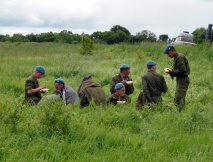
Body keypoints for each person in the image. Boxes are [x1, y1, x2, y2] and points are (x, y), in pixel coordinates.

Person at [164, 44, 190, 111]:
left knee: (179, 98)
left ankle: (180, 113)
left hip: (183, 80)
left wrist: (171, 72)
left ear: (172, 51)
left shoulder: (179, 57)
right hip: (181, 80)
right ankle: (181, 111)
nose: (168, 55)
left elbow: (182, 69)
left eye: (168, 53)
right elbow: (179, 69)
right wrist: (171, 70)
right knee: (179, 96)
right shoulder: (177, 57)